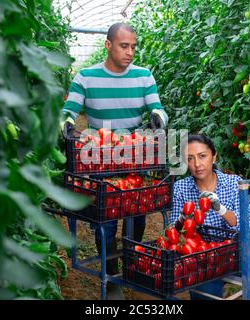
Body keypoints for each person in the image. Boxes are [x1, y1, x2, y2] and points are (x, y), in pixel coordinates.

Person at [60, 22, 169, 300]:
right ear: (108, 45)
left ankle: (131, 265)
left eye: (133, 46)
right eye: (124, 46)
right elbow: (69, 111)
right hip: (101, 156)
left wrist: (158, 119)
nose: (130, 52)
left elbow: (157, 107)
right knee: (106, 217)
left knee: (137, 211)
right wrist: (68, 126)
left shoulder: (144, 76)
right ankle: (111, 277)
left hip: (134, 154)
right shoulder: (86, 77)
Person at [170, 134, 250, 300]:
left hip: (235, 253)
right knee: (207, 296)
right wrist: (182, 219)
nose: (197, 164)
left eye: (202, 156)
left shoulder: (234, 182)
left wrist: (220, 209)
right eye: (190, 159)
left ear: (214, 156)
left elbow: (246, 225)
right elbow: (174, 233)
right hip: (202, 259)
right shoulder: (181, 188)